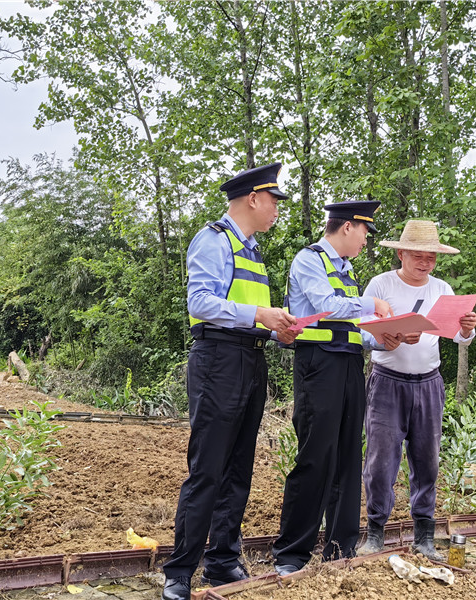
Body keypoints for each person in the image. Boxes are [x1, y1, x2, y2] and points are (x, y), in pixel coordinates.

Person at [162, 163, 299, 600]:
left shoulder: (253, 250)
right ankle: (180, 571)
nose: (278, 209)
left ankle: (222, 561)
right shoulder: (213, 240)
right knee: (208, 469)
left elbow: (247, 310)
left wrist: (276, 328)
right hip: (218, 361)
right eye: (274, 201)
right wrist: (260, 315)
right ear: (253, 198)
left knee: (239, 468)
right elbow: (200, 302)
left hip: (250, 360)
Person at [272, 200, 397, 575]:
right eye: (364, 232)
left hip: (348, 366)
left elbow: (351, 329)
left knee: (346, 459)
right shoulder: (309, 260)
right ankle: (291, 554)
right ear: (347, 228)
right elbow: (327, 307)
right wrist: (372, 304)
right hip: (318, 366)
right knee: (315, 456)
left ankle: (340, 550)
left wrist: (380, 341)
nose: (365, 241)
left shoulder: (347, 270)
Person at [356, 219, 476, 560]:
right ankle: (375, 532)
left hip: (429, 383)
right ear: (401, 254)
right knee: (380, 461)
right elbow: (363, 334)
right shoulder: (380, 286)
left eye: (431, 258)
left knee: (427, 461)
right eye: (418, 256)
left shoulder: (442, 289)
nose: (425, 263)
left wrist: (467, 328)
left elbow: (458, 336)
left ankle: (424, 534)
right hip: (387, 382)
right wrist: (390, 338)